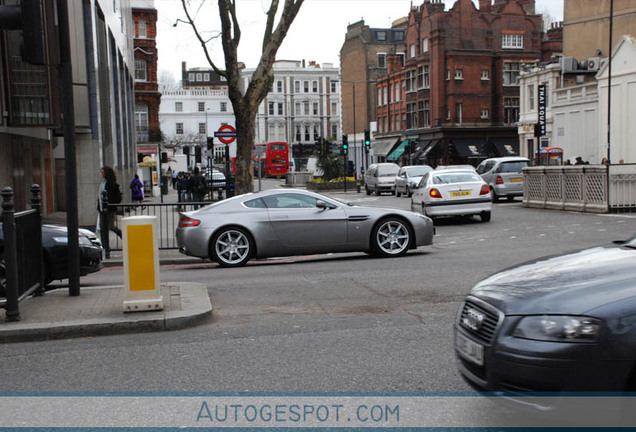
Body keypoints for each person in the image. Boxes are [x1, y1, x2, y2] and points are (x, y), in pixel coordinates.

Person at [98, 166, 122, 238]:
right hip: (102, 208)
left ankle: (123, 235)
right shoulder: (102, 183)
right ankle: (105, 246)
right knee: (102, 227)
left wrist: (111, 204)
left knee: (110, 226)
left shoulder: (112, 183)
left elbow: (117, 197)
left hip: (110, 208)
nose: (101, 174)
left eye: (102, 172)